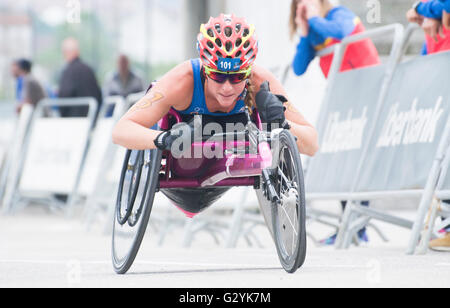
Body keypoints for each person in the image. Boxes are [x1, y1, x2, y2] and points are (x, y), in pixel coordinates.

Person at [112, 13, 318, 164]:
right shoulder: (182, 80)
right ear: (205, 69)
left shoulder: (260, 80)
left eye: (237, 77)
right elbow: (121, 130)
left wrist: (283, 124)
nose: (227, 87)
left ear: (247, 72)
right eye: (218, 76)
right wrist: (163, 138)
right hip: (184, 162)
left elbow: (312, 144)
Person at [290, 0, 378, 245]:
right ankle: (351, 226)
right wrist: (304, 31)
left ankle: (358, 227)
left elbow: (339, 32)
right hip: (344, 103)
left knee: (359, 161)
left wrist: (315, 18)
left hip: (370, 95)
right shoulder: (316, 30)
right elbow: (298, 67)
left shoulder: (340, 15)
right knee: (344, 160)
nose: (305, 6)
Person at [289, 0, 380, 78]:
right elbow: (298, 69)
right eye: (300, 2)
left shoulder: (340, 13)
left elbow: (340, 31)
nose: (305, 4)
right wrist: (304, 33)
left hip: (369, 77)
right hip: (343, 89)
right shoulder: (312, 36)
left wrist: (314, 18)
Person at [58, 38, 103, 118]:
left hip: (74, 121)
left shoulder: (68, 71)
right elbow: (99, 95)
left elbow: (64, 96)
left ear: (66, 52)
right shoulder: (88, 69)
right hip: (91, 118)